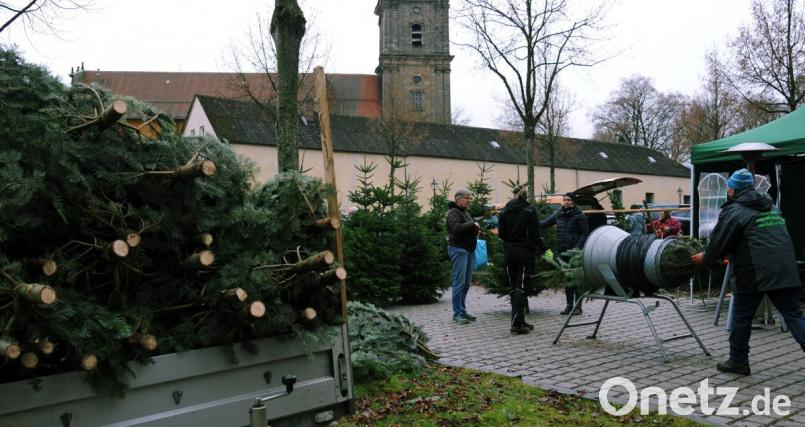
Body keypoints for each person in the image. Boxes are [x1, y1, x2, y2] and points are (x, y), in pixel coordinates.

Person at [691, 168, 805, 375]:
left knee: (741, 316)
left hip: (755, 271)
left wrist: (706, 257)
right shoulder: (771, 207)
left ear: (734, 189)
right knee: (794, 315)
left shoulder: (735, 210)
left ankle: (738, 361)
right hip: (785, 267)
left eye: (729, 188)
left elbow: (718, 243)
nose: (727, 191)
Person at [498, 185, 547, 334]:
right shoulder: (529, 211)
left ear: (513, 194)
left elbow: (501, 233)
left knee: (514, 286)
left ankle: (520, 320)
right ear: (526, 196)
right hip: (525, 253)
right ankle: (517, 324)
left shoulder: (504, 211)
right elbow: (535, 234)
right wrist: (545, 249)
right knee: (521, 287)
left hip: (509, 252)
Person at [540, 192, 589, 315]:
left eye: (568, 200)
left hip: (574, 252)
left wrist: (578, 247)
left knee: (576, 279)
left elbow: (584, 233)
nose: (566, 202)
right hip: (562, 250)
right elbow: (545, 223)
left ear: (573, 201)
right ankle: (569, 305)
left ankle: (578, 306)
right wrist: (532, 223)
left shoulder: (579, 215)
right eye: (564, 200)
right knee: (567, 279)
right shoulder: (559, 213)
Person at [447, 189, 480, 324]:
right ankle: (457, 314)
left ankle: (462, 310)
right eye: (466, 198)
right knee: (459, 283)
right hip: (458, 250)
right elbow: (456, 228)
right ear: (458, 199)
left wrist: (475, 228)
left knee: (466, 283)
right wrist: (472, 224)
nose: (469, 200)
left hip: (468, 250)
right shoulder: (453, 213)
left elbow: (467, 228)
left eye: (469, 198)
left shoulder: (465, 212)